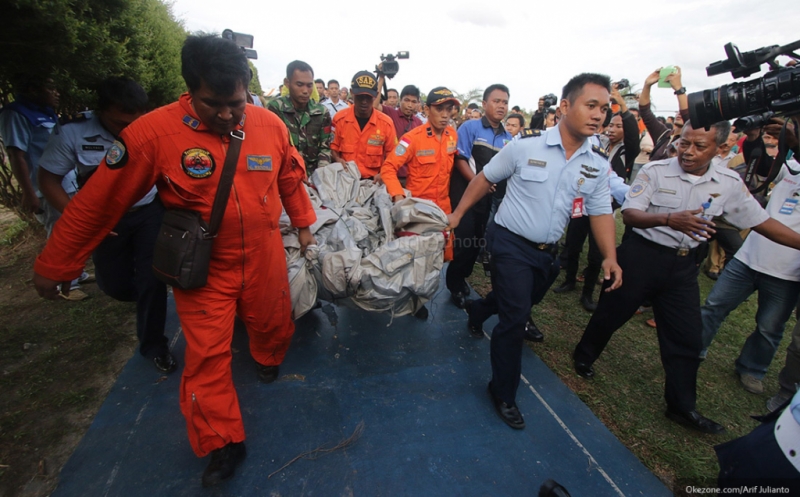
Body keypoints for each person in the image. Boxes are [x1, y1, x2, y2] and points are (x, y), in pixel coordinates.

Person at [32, 35, 317, 486]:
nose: (226, 114)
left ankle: (267, 354)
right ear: (189, 90)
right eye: (213, 104)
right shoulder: (152, 133)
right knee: (205, 359)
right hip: (202, 265)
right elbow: (97, 203)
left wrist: (303, 224)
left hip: (264, 254)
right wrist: (56, 263)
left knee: (272, 321)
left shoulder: (269, 125)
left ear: (247, 89)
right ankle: (223, 443)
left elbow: (289, 178)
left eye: (235, 104)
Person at [573, 120, 800, 435]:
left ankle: (681, 407)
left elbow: (760, 221)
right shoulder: (657, 171)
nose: (688, 151)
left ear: (720, 148)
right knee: (610, 314)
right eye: (684, 142)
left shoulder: (729, 182)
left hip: (682, 268)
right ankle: (583, 358)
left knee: (686, 338)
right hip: (641, 256)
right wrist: (668, 219)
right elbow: (631, 214)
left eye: (699, 146)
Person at [448, 73, 623, 429]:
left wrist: (609, 255)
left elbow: (602, 209)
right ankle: (502, 391)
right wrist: (458, 215)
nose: (598, 115)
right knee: (514, 320)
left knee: (520, 302)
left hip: (547, 254)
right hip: (510, 242)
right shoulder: (525, 146)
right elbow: (484, 179)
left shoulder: (597, 163)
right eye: (591, 105)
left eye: (604, 109)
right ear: (565, 106)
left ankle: (478, 310)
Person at [37, 77, 176, 373]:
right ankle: (142, 296)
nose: (127, 130)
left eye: (134, 121)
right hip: (104, 217)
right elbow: (48, 179)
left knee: (153, 279)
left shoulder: (153, 126)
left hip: (149, 210)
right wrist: (80, 216)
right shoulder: (72, 132)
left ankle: (154, 344)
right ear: (100, 111)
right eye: (119, 122)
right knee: (118, 286)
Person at [701, 119, 800, 396]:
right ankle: (693, 349)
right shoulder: (790, 169)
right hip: (749, 257)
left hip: (788, 271)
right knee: (713, 306)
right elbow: (764, 165)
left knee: (769, 328)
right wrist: (756, 135)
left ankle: (752, 369)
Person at [0, 74, 92, 298]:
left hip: (65, 182)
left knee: (73, 229)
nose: (56, 93)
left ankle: (74, 274)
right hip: (43, 186)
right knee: (59, 231)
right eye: (51, 88)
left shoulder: (45, 113)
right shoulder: (16, 114)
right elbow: (16, 155)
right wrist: (28, 192)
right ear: (33, 90)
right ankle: (63, 285)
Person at [446, 84, 511, 310]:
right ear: (484, 104)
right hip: (465, 195)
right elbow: (460, 159)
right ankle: (453, 284)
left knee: (475, 243)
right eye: (496, 101)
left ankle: (462, 278)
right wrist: (479, 183)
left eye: (505, 102)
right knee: (463, 241)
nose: (501, 106)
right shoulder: (470, 128)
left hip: (489, 200)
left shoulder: (509, 139)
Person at [267, 60, 332, 176]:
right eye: (300, 85)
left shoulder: (321, 112)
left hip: (314, 177)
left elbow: (325, 148)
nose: (305, 91)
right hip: (285, 176)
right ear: (287, 83)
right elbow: (272, 149)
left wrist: (321, 177)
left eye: (309, 85)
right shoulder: (275, 109)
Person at [330, 71, 396, 180]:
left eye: (368, 97)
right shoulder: (339, 119)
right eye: (360, 97)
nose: (364, 102)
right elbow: (333, 147)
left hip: (374, 182)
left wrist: (384, 173)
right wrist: (337, 159)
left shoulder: (386, 123)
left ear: (376, 95)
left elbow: (393, 156)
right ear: (352, 93)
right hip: (344, 180)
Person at [605, 83, 640, 181]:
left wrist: (622, 104)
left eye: (619, 126)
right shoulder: (600, 142)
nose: (612, 130)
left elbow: (632, 134)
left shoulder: (626, 150)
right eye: (611, 126)